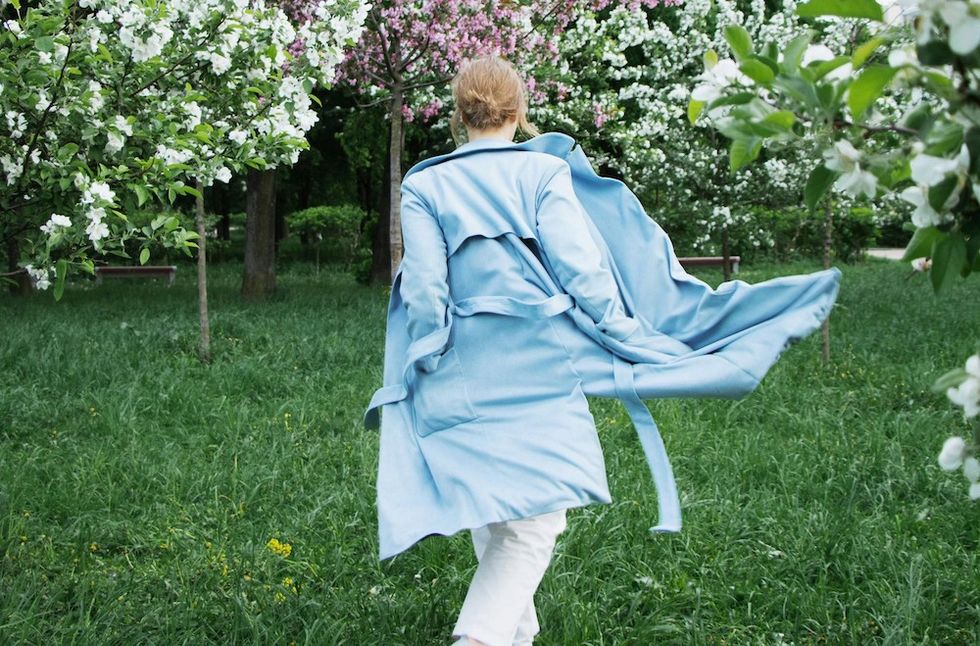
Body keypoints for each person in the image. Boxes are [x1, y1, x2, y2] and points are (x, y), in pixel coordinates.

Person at [364, 55, 841, 646]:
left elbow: (425, 290)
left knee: (496, 505)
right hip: (538, 365)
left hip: (459, 367)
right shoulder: (542, 173)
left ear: (459, 116)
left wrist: (429, 355)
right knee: (536, 520)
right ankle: (479, 638)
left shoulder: (424, 184)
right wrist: (623, 332)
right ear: (520, 109)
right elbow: (581, 270)